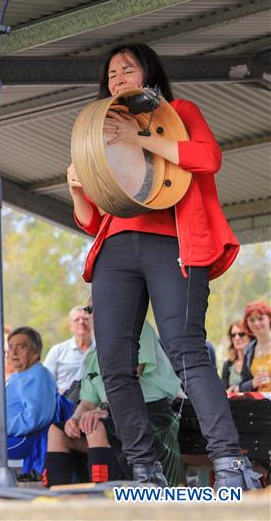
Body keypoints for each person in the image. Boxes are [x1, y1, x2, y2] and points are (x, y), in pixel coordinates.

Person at [66, 43, 260, 488]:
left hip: (173, 243)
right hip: (115, 252)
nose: (117, 77)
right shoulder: (103, 133)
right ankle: (144, 468)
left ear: (150, 73)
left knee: (186, 350)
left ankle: (230, 462)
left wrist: (139, 137)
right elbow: (94, 218)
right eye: (111, 73)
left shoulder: (179, 110)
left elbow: (207, 158)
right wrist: (78, 188)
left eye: (127, 68)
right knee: (113, 361)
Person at [45, 322, 183, 487]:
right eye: (90, 309)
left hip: (149, 413)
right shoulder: (92, 356)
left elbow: (131, 374)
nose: (93, 313)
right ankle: (57, 500)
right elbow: (88, 402)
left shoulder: (138, 327)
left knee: (95, 427)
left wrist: (103, 408)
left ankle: (103, 498)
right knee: (57, 432)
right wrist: (74, 419)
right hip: (113, 416)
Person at [5, 327, 63, 476]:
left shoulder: (38, 375)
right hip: (10, 435)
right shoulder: (18, 376)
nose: (14, 352)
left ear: (36, 352)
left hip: (24, 440)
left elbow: (35, 417)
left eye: (22, 347)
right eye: (11, 347)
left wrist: (0, 428)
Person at [43, 306, 93, 394]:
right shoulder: (57, 351)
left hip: (94, 404)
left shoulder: (101, 351)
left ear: (92, 322)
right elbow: (45, 383)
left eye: (85, 319)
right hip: (64, 401)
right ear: (71, 326)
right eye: (76, 320)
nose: (81, 322)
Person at [241, 300, 271, 392]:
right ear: (247, 323)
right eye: (252, 320)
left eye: (260, 318)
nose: (256, 323)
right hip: (260, 403)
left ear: (269, 318)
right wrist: (253, 383)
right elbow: (242, 384)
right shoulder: (248, 350)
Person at [221, 320, 253, 392]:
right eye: (233, 335)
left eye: (241, 334)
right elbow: (223, 389)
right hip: (234, 402)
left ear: (250, 335)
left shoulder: (256, 360)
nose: (237, 338)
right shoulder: (228, 364)